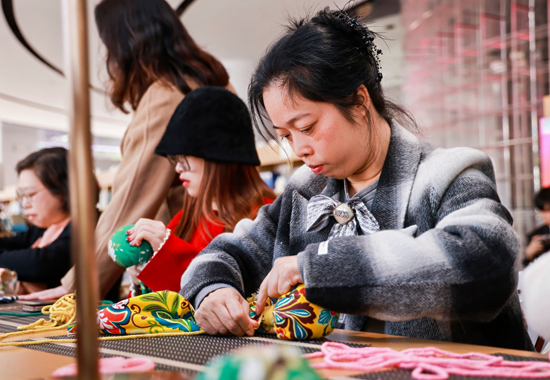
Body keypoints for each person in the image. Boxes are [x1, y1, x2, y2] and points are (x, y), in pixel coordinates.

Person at [180, 9, 533, 350]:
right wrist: (213, 291)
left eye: (307, 127)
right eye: (286, 135)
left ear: (359, 101)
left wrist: (319, 267)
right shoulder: (306, 191)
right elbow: (226, 253)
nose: (299, 148)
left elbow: (486, 263)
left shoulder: (446, 176)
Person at [20, 0, 231, 300]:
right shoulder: (213, 81)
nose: (107, 56)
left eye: (108, 45)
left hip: (181, 261)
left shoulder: (166, 95)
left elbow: (130, 200)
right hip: (217, 249)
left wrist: (76, 288)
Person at [121, 87, 276, 293]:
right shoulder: (187, 217)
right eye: (176, 159)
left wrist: (168, 251)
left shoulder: (264, 216)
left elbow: (240, 295)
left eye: (185, 158)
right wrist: (141, 278)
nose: (178, 168)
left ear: (218, 158)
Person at [0, 148, 79, 293]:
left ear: (63, 189)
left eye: (30, 194)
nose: (24, 204)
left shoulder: (88, 227)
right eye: (21, 196)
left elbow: (39, 263)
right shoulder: (45, 228)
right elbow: (12, 245)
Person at [523, 188, 550, 267]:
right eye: (542, 210)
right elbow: (529, 272)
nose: (544, 215)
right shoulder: (536, 235)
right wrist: (529, 255)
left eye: (548, 210)